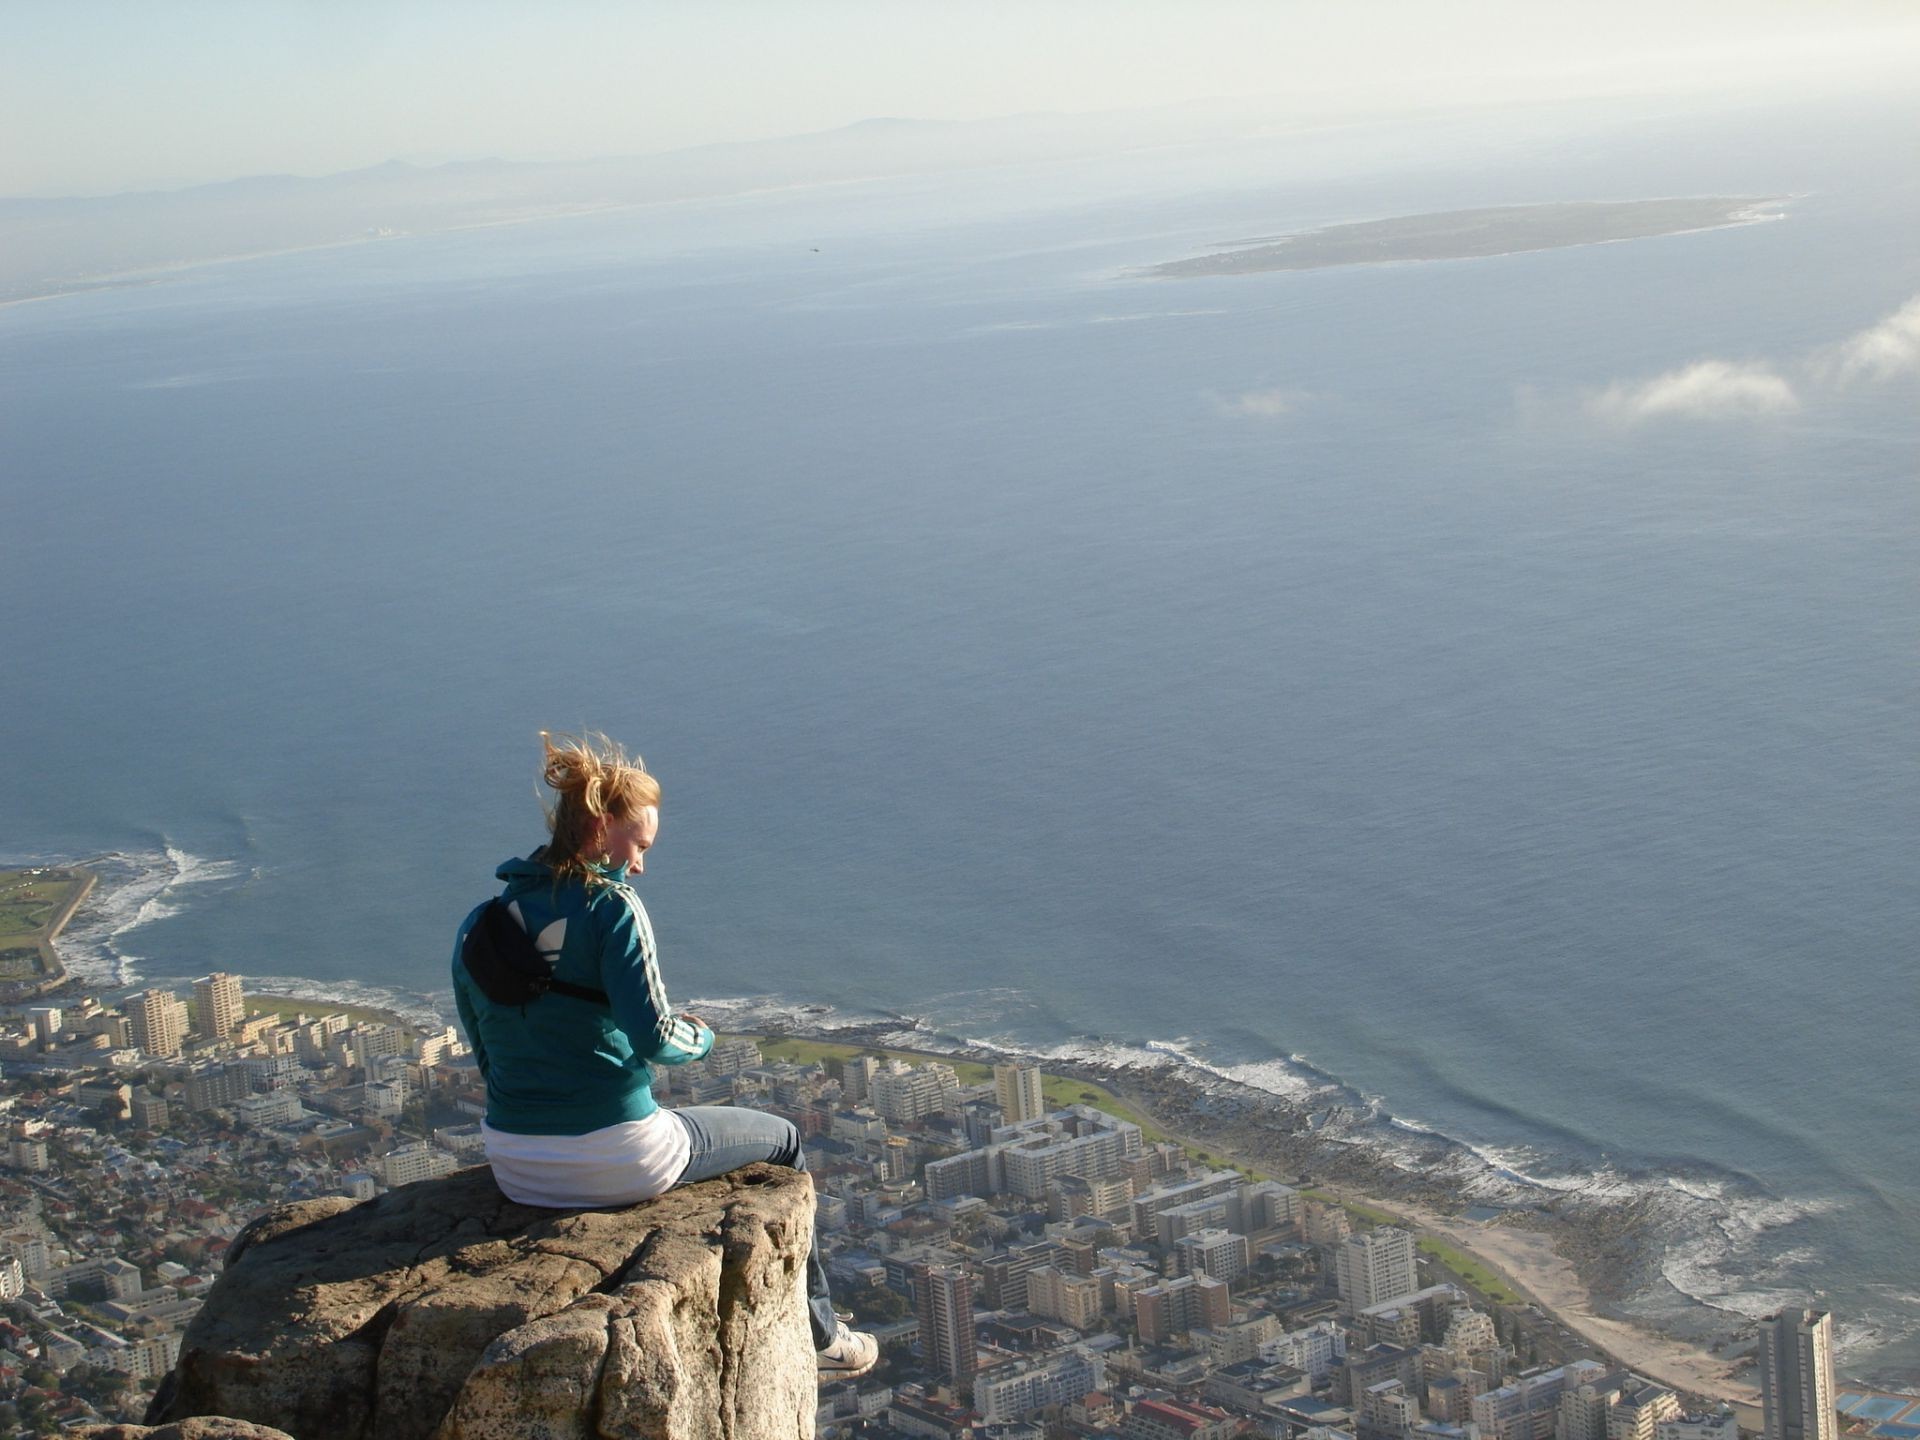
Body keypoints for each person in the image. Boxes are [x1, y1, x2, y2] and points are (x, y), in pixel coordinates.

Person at [451, 730, 877, 1379]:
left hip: (514, 1162)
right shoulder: (610, 907)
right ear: (600, 826)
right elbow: (654, 1036)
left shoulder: (480, 922)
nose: (642, 864)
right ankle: (821, 1340)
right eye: (638, 844)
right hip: (618, 1156)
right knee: (785, 1139)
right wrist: (701, 1035)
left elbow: (483, 1052)